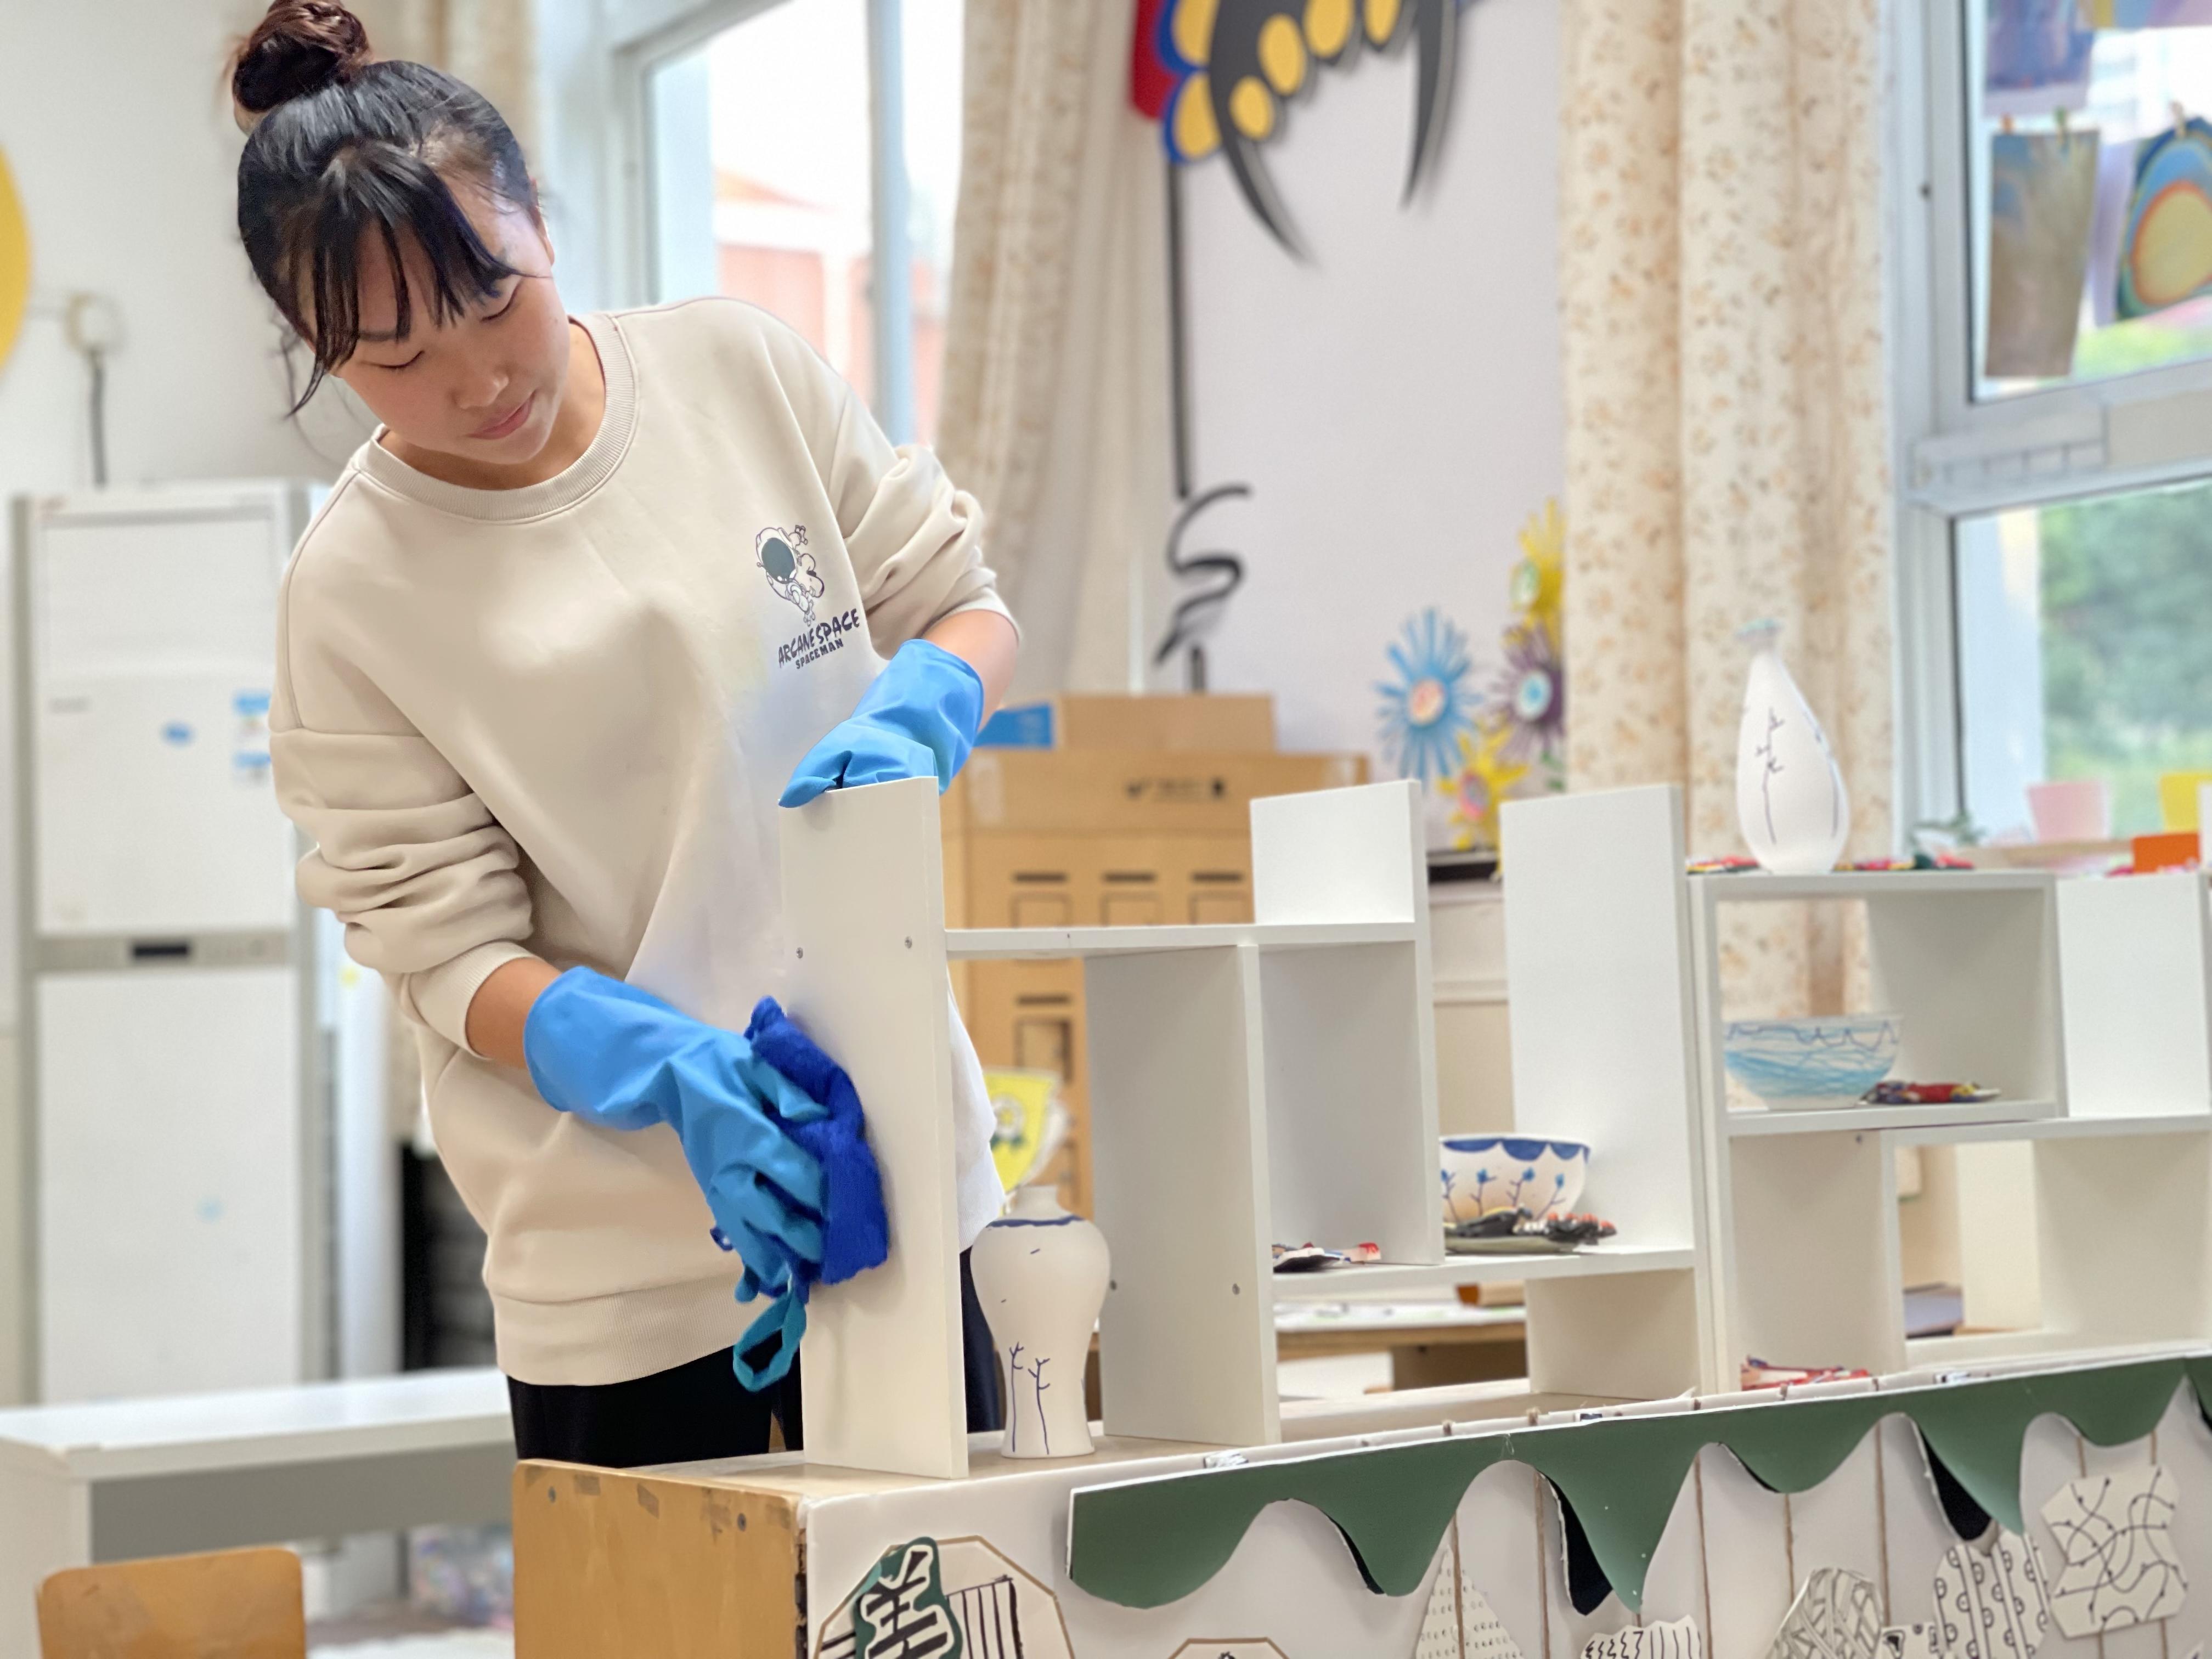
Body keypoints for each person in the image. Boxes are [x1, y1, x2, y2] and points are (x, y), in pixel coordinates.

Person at [230, 0, 1015, 1467]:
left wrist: (929, 704)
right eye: (394, 358)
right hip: (625, 1286)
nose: (477, 380)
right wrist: (660, 1067)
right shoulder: (352, 591)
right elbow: (445, 954)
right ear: (318, 353)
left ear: (537, 217)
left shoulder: (738, 372)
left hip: (913, 1182)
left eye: (494, 300)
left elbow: (958, 603)